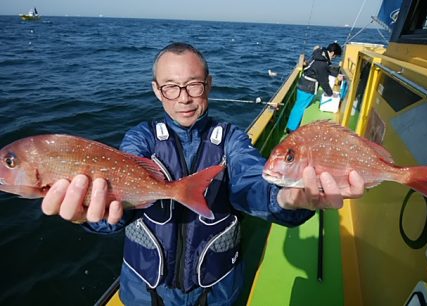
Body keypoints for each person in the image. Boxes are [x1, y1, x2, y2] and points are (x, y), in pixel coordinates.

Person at [41, 42, 365, 306]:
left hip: (217, 294)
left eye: (193, 85)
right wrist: (89, 215)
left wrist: (287, 198)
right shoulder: (140, 139)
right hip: (144, 294)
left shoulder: (232, 138)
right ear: (157, 91)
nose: (183, 97)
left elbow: (250, 180)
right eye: (171, 87)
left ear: (208, 84)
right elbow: (117, 199)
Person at [286, 42, 344, 132]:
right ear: (332, 53)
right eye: (335, 56)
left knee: (299, 106)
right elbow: (324, 81)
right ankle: (291, 129)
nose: (334, 58)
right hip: (307, 87)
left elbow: (325, 69)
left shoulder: (320, 54)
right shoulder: (322, 63)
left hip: (303, 84)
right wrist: (331, 94)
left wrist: (336, 74)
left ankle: (291, 126)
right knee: (300, 107)